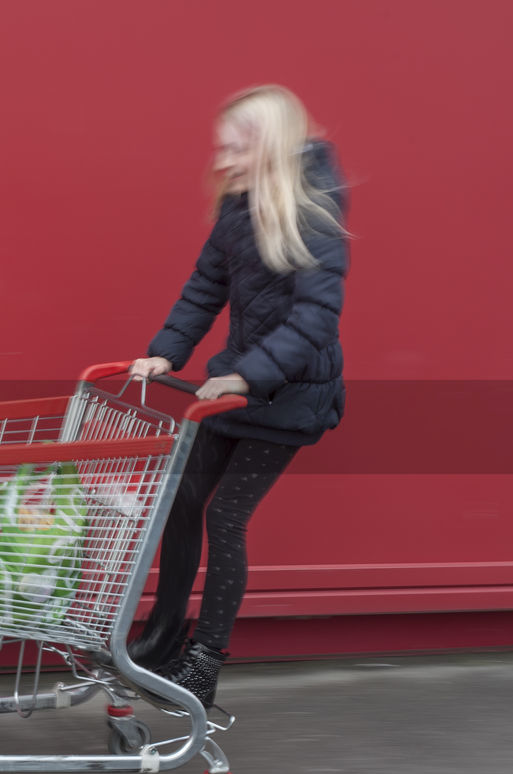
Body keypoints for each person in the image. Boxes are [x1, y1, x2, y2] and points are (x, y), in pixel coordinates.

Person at [126, 84, 350, 708]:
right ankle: (162, 638)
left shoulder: (312, 211)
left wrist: (248, 376)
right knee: (182, 498)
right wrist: (167, 351)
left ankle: (203, 662)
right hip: (234, 384)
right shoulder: (236, 207)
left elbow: (316, 318)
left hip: (293, 394)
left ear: (268, 146)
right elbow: (205, 287)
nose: (223, 157)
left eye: (235, 146)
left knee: (226, 516)